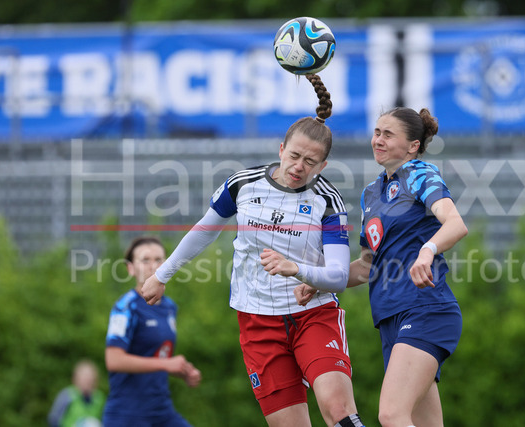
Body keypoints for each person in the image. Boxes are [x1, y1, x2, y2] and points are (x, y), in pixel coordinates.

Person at [141, 74, 365, 427]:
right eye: (294, 155)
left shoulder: (327, 200)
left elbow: (337, 277)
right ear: (281, 149)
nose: (299, 166)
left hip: (313, 315)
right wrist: (161, 274)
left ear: (323, 166)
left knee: (339, 412)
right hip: (257, 321)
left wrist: (296, 269)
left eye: (310, 161)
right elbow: (204, 230)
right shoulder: (243, 184)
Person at [297, 107, 468, 427]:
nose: (378, 140)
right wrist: (319, 280)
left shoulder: (419, 173)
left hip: (424, 310)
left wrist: (427, 250)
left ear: (413, 146)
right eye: (377, 132)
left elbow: (456, 224)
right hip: (391, 319)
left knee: (391, 414)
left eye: (388, 134)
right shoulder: (371, 194)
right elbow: (367, 267)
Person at [103, 236, 201, 427]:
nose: (153, 266)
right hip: (128, 415)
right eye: (145, 260)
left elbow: (156, 357)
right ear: (131, 268)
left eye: (159, 260)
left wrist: (183, 370)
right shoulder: (126, 307)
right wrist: (166, 364)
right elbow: (113, 360)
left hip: (161, 410)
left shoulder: (169, 307)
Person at [48, 359, 105, 427]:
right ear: (76, 378)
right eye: (85, 377)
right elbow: (53, 419)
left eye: (90, 378)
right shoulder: (67, 395)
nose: (88, 381)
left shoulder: (99, 397)